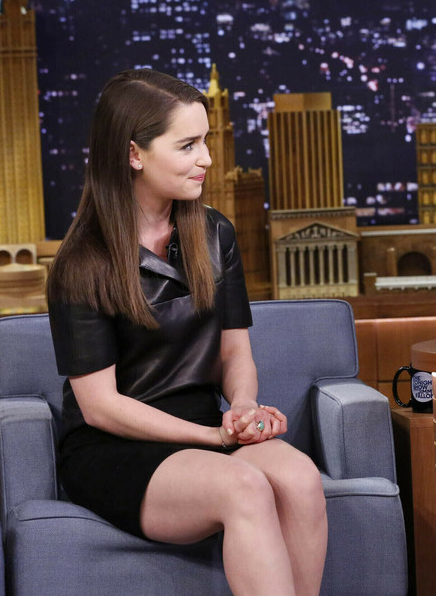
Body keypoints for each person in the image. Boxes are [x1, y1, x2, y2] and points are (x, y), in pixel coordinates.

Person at [46, 69, 327, 596]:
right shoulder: (82, 263)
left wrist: (242, 408)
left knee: (301, 479)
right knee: (244, 487)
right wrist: (215, 437)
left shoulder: (215, 233)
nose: (207, 159)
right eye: (188, 145)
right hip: (114, 448)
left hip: (203, 426)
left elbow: (234, 353)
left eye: (206, 142)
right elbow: (101, 408)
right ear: (134, 154)